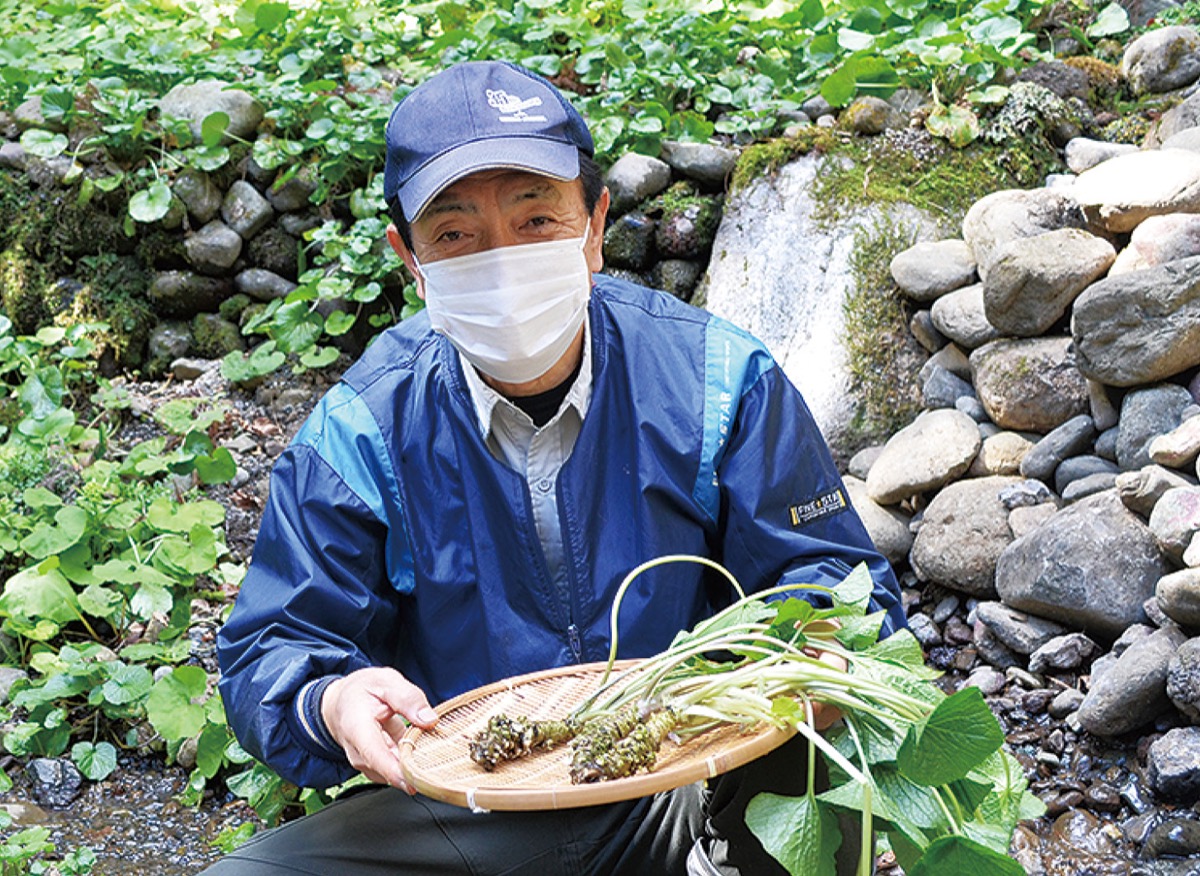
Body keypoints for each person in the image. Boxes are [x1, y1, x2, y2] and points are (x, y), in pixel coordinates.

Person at [207, 59, 905, 876]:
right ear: (411, 260)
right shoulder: (361, 433)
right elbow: (273, 645)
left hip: (697, 761)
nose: (502, 262)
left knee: (825, 762)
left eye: (536, 219)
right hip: (481, 797)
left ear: (595, 227)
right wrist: (328, 699)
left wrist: (814, 644)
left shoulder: (719, 382)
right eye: (456, 235)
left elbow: (832, 576)